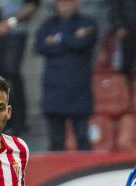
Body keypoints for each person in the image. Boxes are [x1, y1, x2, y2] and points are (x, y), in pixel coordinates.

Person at [33, 0, 96, 151]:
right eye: (62, 2)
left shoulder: (88, 23)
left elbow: (82, 43)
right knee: (56, 141)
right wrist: (70, 39)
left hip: (79, 90)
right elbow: (39, 46)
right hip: (53, 89)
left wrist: (56, 39)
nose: (65, 5)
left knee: (82, 138)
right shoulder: (48, 24)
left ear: (77, 3)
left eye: (69, 2)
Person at [0, 0, 38, 135]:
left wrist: (10, 22)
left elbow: (32, 5)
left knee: (12, 72)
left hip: (15, 32)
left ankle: (19, 121)